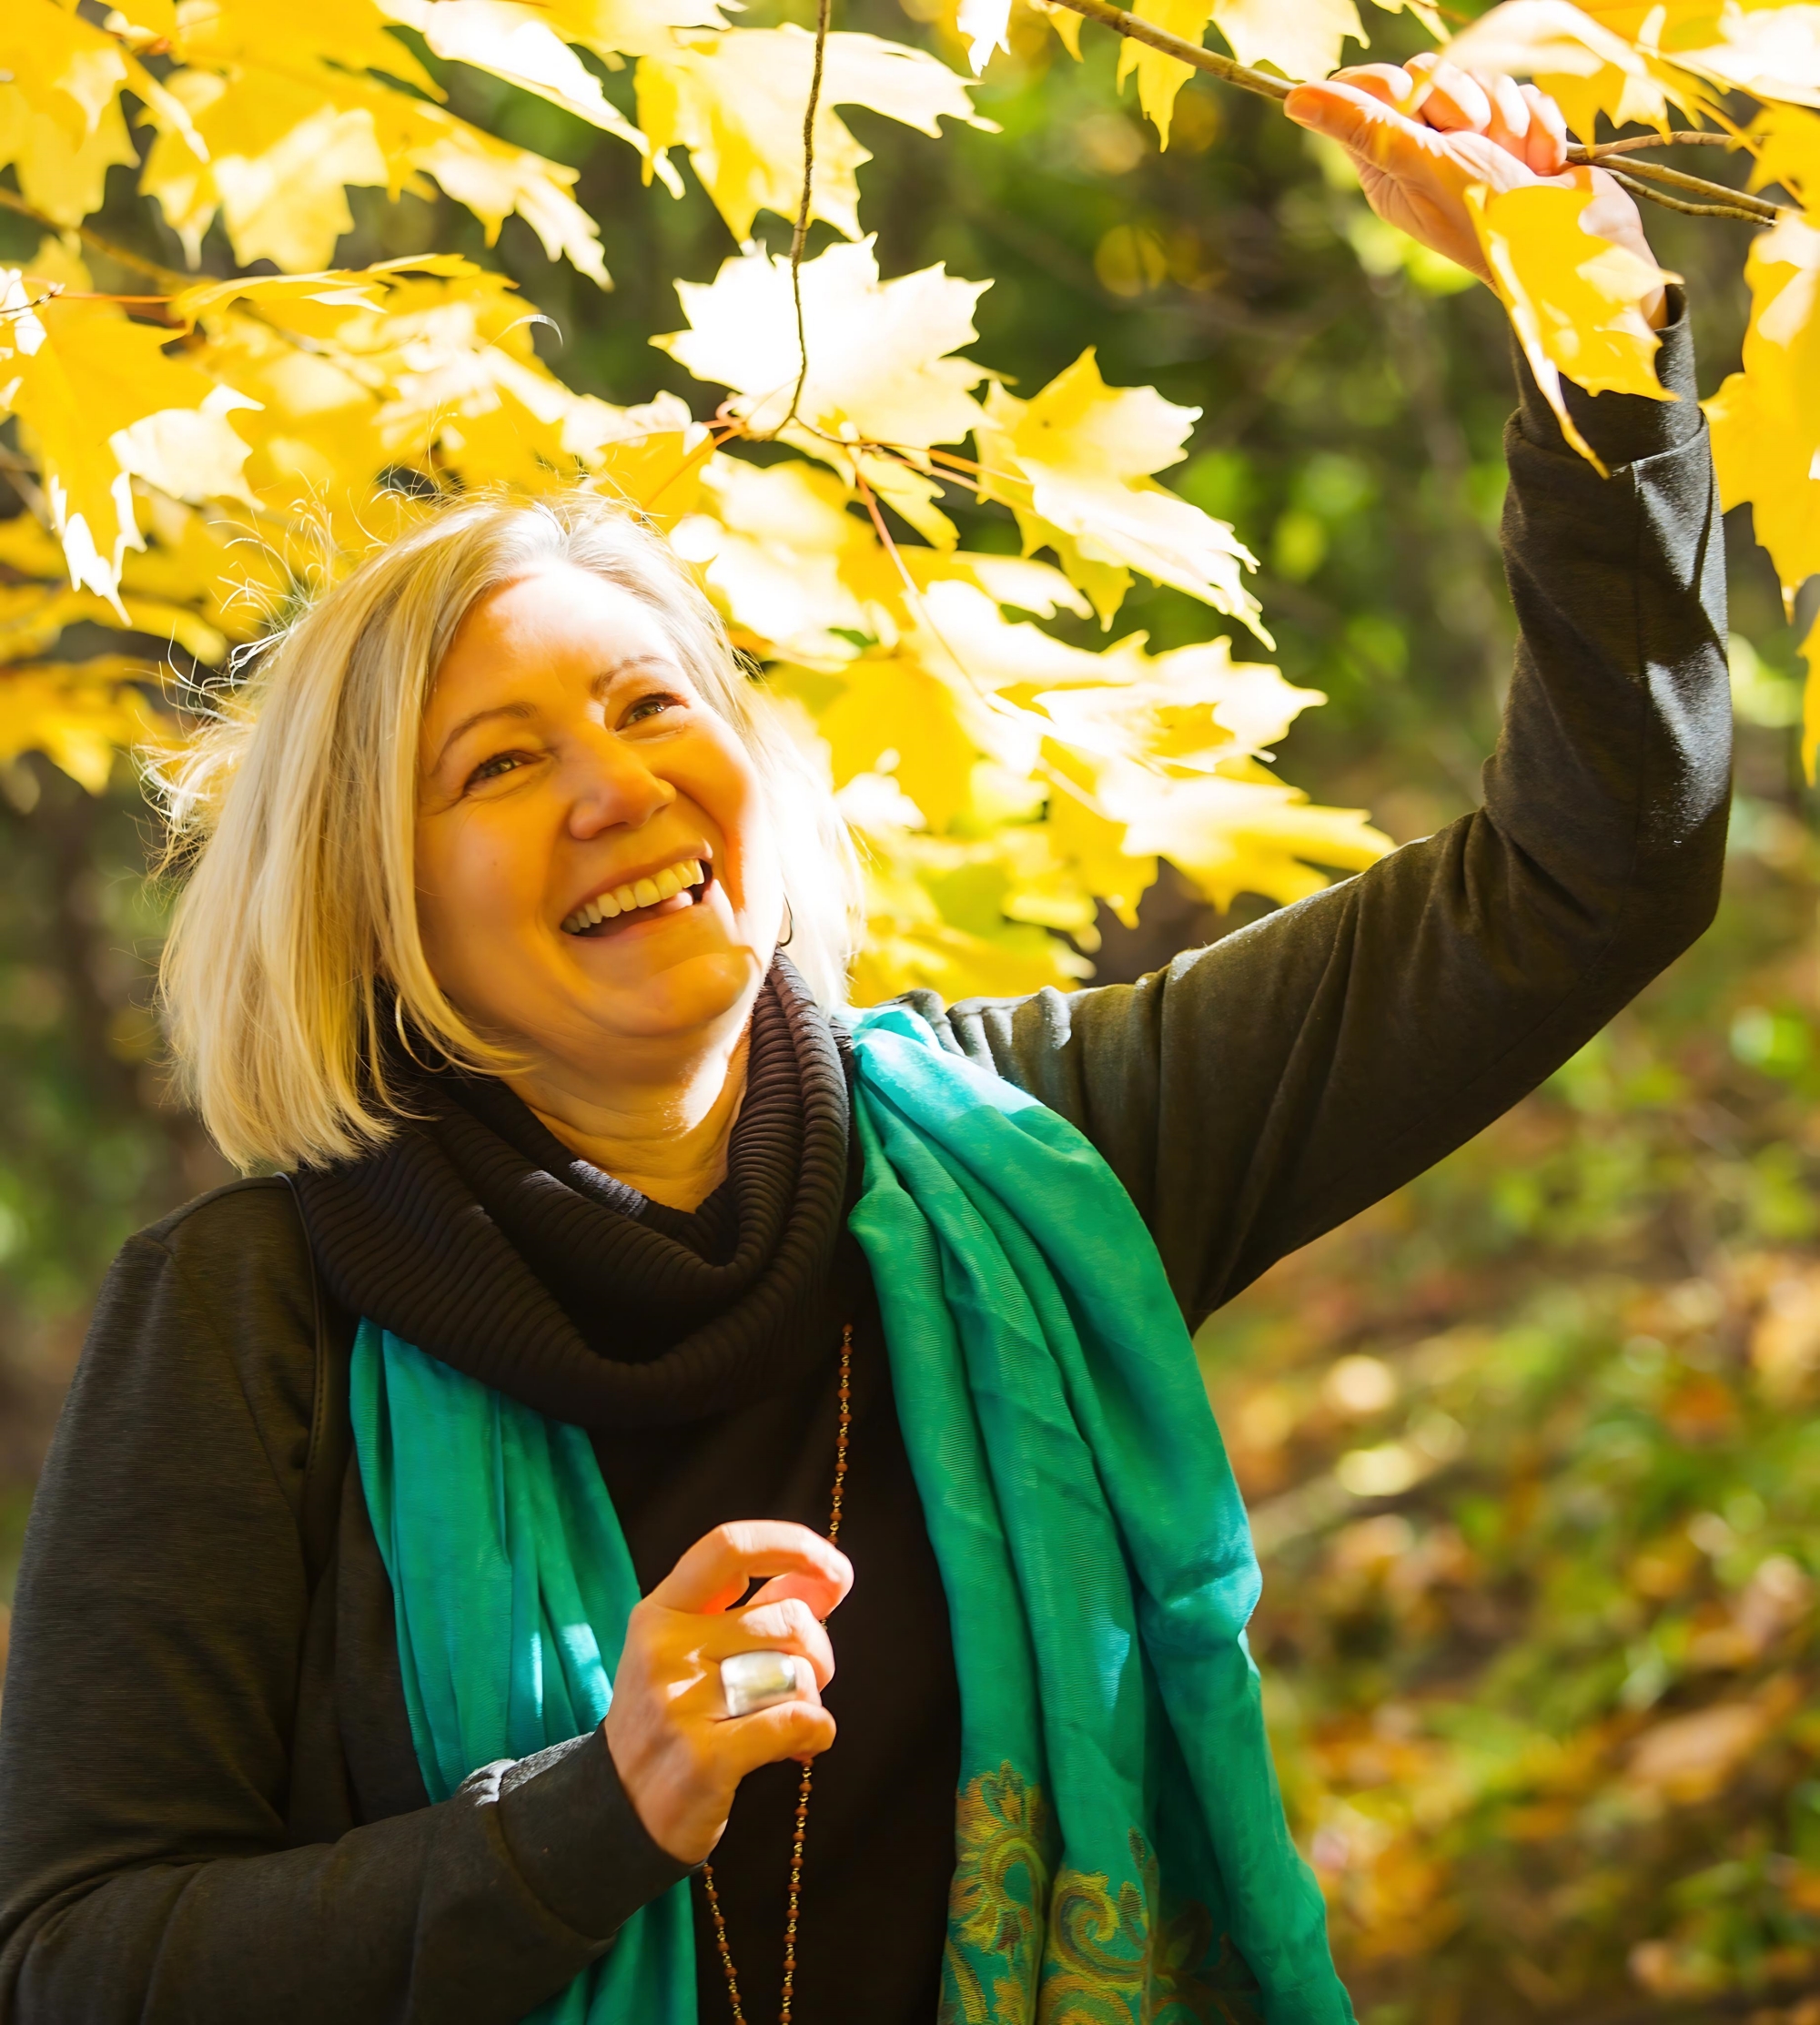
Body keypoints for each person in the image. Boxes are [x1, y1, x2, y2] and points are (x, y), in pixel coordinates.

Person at [0, 54, 1728, 2025]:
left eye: (655, 706)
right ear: (367, 908)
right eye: (498, 762)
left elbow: (1594, 877)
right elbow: (83, 1962)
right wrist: (587, 1814)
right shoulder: (248, 1320)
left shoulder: (1026, 1149)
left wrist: (1586, 329)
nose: (615, 790)